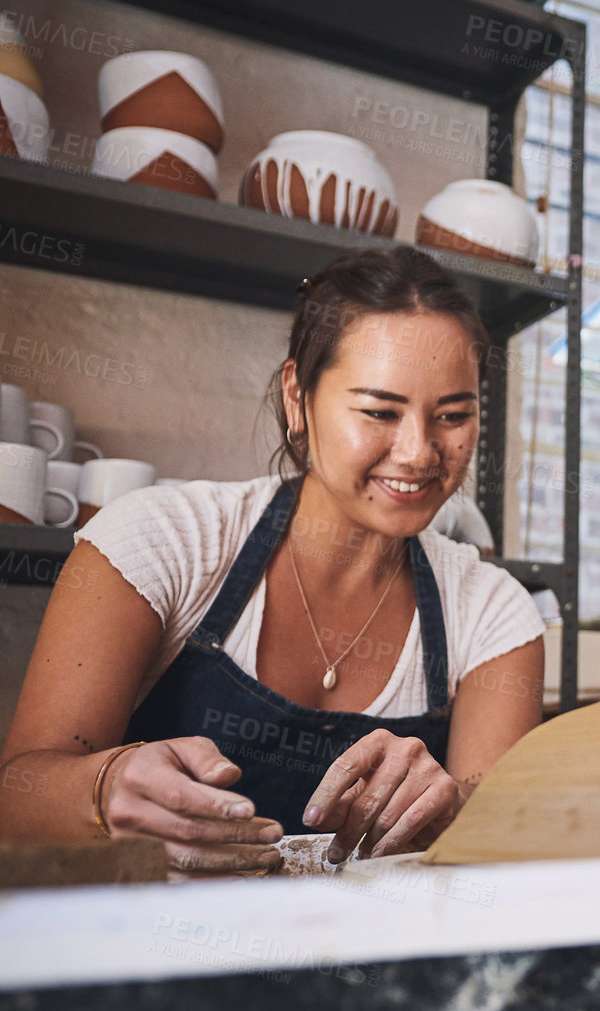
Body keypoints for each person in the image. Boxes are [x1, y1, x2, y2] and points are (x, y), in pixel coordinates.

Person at [0, 247, 546, 872]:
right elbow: (15, 796)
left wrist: (453, 809)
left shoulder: (491, 612)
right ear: (298, 397)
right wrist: (102, 789)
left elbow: (502, 845)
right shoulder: (163, 543)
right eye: (379, 412)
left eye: (453, 415)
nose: (420, 452)